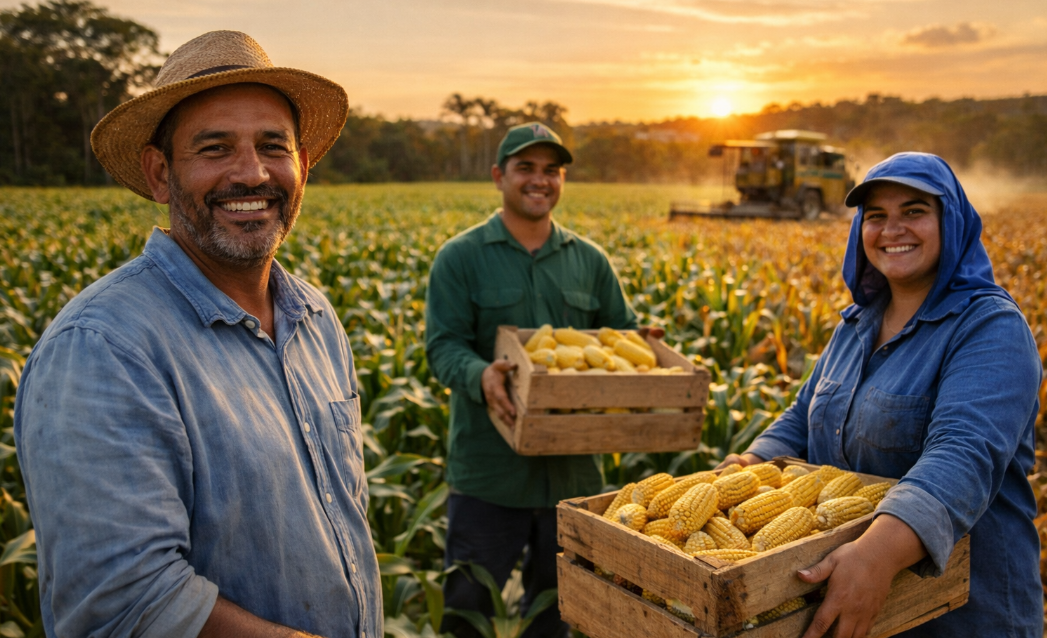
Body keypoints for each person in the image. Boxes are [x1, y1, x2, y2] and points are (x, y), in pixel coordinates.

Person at [14, 31, 382, 638]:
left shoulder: (316, 319)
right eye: (215, 149)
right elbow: (125, 604)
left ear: (304, 167)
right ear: (160, 175)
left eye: (273, 146)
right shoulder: (102, 348)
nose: (251, 173)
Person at [721, 152, 1042, 637]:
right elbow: (804, 413)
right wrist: (751, 462)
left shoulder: (989, 327)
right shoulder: (855, 325)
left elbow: (962, 455)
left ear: (949, 221)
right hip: (861, 607)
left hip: (965, 613)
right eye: (876, 216)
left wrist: (876, 555)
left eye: (913, 211)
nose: (893, 229)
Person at [425, 122, 638, 637]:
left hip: (573, 478)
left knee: (557, 620)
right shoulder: (461, 257)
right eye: (526, 168)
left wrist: (643, 345)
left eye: (552, 170)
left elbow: (621, 336)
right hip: (488, 476)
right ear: (499, 176)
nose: (539, 181)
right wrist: (482, 375)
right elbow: (443, 347)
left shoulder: (589, 261)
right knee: (467, 614)